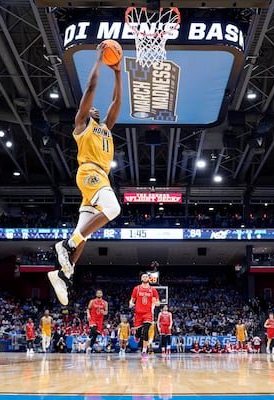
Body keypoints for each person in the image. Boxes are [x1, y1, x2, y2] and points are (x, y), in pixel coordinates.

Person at [49, 42, 123, 306]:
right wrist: (99, 59)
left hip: (99, 177)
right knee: (113, 209)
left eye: (96, 109)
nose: (96, 108)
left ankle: (62, 274)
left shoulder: (106, 128)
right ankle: (66, 246)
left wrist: (117, 71)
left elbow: (116, 102)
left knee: (84, 232)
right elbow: (91, 88)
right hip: (90, 172)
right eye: (90, 108)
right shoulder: (81, 125)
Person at [129, 272, 160, 359]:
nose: (145, 277)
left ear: (149, 279)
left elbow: (158, 303)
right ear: (141, 279)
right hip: (138, 313)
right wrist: (131, 303)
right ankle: (137, 336)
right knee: (138, 333)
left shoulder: (153, 290)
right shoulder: (137, 289)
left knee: (146, 331)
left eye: (146, 276)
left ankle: (144, 351)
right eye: (143, 276)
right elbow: (132, 300)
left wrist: (155, 302)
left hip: (148, 313)